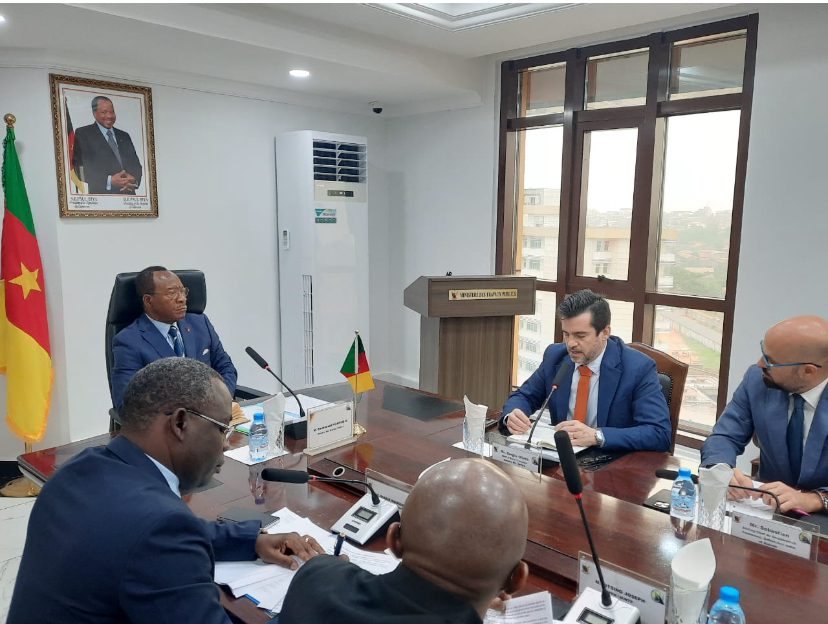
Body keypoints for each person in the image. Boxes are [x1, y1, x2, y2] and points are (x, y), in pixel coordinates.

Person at [8, 358, 324, 623]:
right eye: (222, 428)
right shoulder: (159, 526)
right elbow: (158, 532)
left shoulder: (78, 471)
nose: (226, 444)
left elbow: (149, 532)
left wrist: (251, 540)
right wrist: (322, 596)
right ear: (180, 423)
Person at [279, 458, 529, 623]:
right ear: (516, 580)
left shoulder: (315, 578)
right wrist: (474, 602)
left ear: (393, 540)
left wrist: (330, 568)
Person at [500, 289, 671, 452]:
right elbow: (524, 396)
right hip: (560, 457)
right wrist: (512, 417)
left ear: (605, 332)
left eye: (580, 336)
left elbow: (658, 433)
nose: (570, 344)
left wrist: (597, 436)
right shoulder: (555, 356)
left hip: (610, 461)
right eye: (566, 334)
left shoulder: (638, 368)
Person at [701, 316, 828, 514]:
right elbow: (725, 436)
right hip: (765, 511)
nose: (759, 363)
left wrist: (814, 500)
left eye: (770, 361)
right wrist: (720, 469)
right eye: (763, 353)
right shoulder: (757, 379)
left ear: (808, 371)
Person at [110, 266, 238, 410]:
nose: (182, 299)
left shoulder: (200, 323)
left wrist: (222, 401)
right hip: (171, 420)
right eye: (172, 293)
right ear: (148, 300)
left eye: (183, 291)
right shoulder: (129, 341)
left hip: (214, 413)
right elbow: (125, 403)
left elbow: (226, 367)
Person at [73, 95, 143, 195]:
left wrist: (133, 180)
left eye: (112, 112)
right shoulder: (83, 134)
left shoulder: (124, 136)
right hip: (102, 197)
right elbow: (80, 169)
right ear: (94, 113)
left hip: (128, 197)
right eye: (104, 112)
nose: (109, 116)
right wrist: (110, 181)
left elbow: (136, 165)